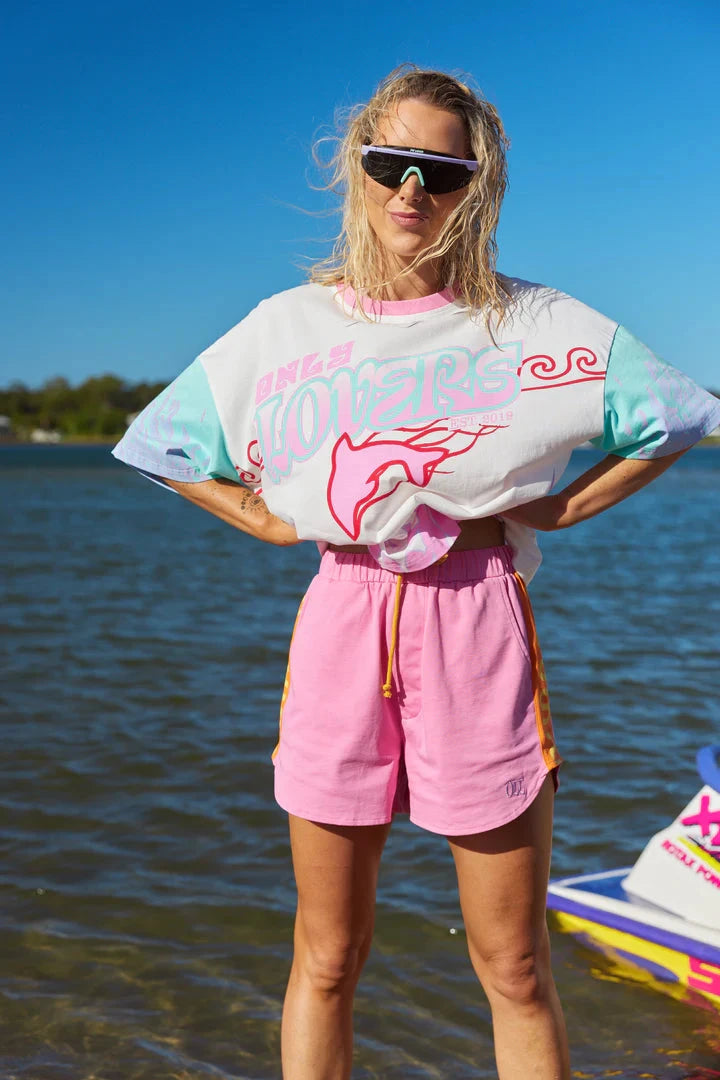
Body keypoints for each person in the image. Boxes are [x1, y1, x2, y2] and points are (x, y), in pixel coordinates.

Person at [112, 66, 720, 1080]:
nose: (410, 190)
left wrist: (567, 505)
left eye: (439, 171)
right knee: (327, 957)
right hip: (343, 614)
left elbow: (679, 414)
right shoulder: (288, 327)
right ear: (355, 171)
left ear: (475, 187)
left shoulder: (535, 324)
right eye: (389, 162)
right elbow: (159, 442)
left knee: (513, 963)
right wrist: (259, 516)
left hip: (477, 615)